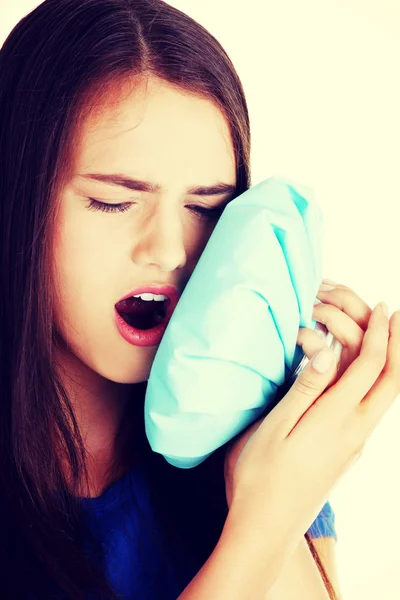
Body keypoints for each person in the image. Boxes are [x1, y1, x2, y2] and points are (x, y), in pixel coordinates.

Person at [0, 1, 398, 599]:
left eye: (205, 208)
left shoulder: (268, 458)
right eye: (113, 201)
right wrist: (260, 530)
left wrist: (267, 467)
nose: (170, 251)